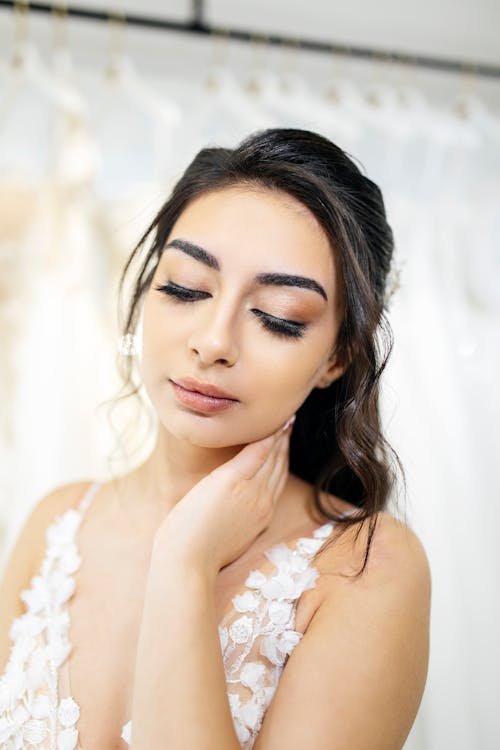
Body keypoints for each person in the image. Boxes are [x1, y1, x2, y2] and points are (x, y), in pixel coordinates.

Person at [0, 127, 431, 750]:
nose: (214, 342)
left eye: (279, 317)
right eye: (185, 288)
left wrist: (186, 564)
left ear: (337, 357)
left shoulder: (367, 566)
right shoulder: (58, 521)